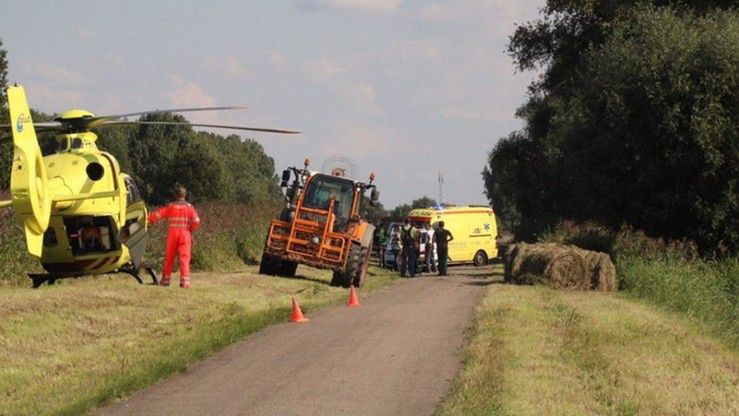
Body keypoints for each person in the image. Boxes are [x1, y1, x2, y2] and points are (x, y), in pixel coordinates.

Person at [148, 186, 201, 288]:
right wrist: (191, 229)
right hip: (185, 234)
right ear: (185, 195)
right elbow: (196, 221)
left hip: (173, 234)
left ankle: (165, 280)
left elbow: (158, 215)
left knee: (169, 258)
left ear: (175, 195)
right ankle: (184, 282)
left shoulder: (171, 206)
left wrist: (148, 218)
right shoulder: (190, 208)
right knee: (184, 258)